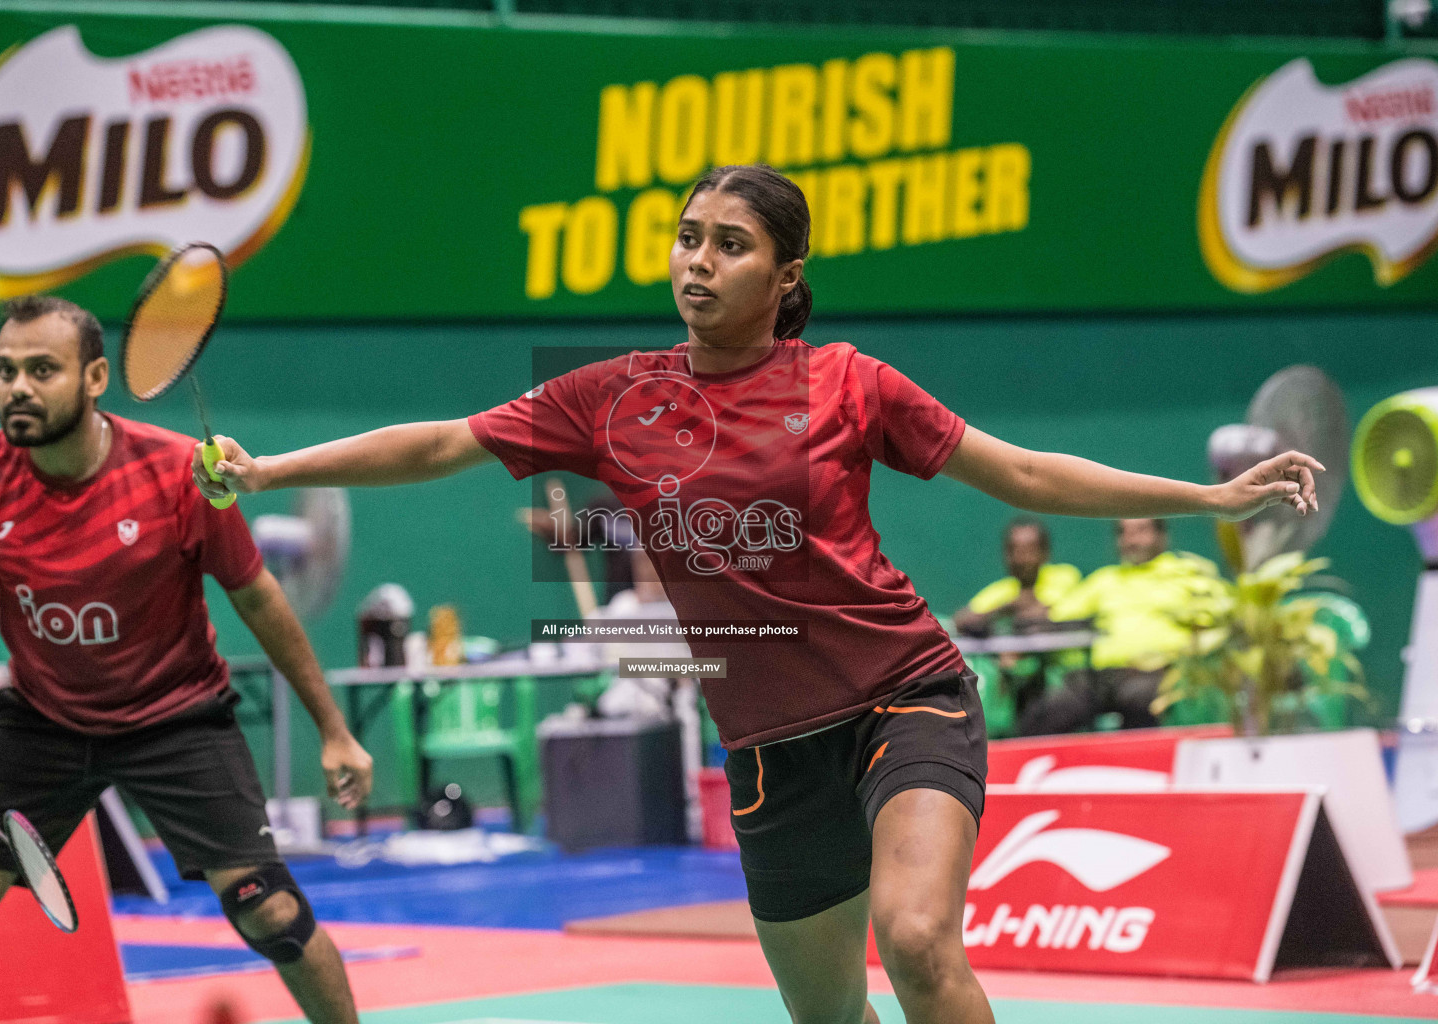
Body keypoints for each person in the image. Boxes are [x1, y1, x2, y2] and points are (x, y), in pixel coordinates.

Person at [192, 164, 1322, 1024]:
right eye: (686, 238)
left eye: (728, 245)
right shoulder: (611, 398)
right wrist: (276, 470)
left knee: (920, 942)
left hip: (905, 698)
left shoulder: (848, 382)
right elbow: (442, 442)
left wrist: (1209, 498)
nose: (696, 261)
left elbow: (1018, 470)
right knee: (829, 1014)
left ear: (784, 279)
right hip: (773, 750)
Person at [0, 296, 374, 1024]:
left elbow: (260, 601)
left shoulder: (175, 472)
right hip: (44, 722)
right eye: (5, 371)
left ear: (95, 377)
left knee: (271, 913)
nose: (18, 388)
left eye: (41, 370)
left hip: (177, 717)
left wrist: (334, 729)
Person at [1026, 517, 1229, 734]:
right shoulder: (1105, 579)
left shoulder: (1189, 574)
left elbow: (1226, 617)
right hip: (1105, 677)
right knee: (1049, 709)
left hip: (1162, 673)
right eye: (1124, 533)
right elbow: (1056, 616)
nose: (1131, 540)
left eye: (1141, 531)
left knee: (1138, 698)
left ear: (1162, 536)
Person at [952, 518, 1081, 736]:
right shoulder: (1003, 591)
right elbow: (962, 620)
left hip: (1065, 680)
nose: (1021, 559)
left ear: (1044, 553)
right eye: (1014, 551)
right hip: (1014, 686)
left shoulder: (1064, 576)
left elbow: (1047, 613)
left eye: (1029, 550)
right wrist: (1006, 607)